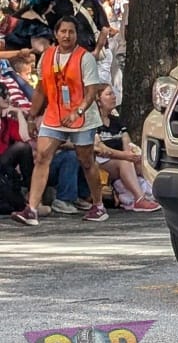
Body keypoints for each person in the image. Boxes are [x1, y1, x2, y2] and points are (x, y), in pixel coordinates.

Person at [11, 16, 107, 225]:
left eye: (71, 32)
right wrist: (32, 116)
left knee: (86, 160)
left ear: (76, 35)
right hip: (55, 114)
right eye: (63, 31)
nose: (67, 35)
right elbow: (41, 88)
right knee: (42, 156)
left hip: (82, 116)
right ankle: (32, 209)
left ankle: (98, 205)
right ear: (56, 34)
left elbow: (91, 91)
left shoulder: (85, 58)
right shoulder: (47, 56)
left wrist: (77, 111)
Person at [94, 84, 160, 212]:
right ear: (99, 101)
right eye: (108, 94)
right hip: (101, 159)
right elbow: (100, 148)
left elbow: (126, 141)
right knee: (125, 161)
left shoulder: (117, 121)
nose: (113, 97)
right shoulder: (94, 122)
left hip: (119, 158)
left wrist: (132, 154)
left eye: (113, 94)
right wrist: (124, 156)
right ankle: (139, 199)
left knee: (139, 161)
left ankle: (154, 193)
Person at [47, 0, 111, 67]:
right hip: (66, 55)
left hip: (89, 53)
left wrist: (97, 51)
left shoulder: (94, 4)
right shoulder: (59, 4)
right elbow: (51, 27)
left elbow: (105, 28)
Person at [0, 84, 33, 188]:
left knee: (23, 147)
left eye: (8, 94)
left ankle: (29, 188)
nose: (8, 98)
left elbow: (25, 138)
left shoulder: (7, 121)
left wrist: (19, 113)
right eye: (4, 95)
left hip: (5, 162)